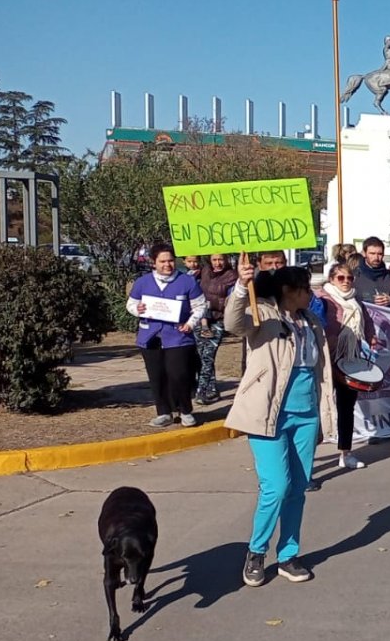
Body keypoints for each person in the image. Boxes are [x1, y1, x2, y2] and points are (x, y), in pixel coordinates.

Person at [224, 259, 334, 588]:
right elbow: (233, 323)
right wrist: (243, 287)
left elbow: (319, 369)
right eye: (305, 289)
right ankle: (256, 552)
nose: (310, 294)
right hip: (267, 414)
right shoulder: (263, 316)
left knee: (298, 488)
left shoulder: (311, 320)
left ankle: (288, 555)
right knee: (276, 486)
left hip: (305, 415)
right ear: (289, 291)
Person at [127, 243, 208, 428]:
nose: (167, 265)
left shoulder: (186, 281)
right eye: (162, 261)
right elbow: (131, 304)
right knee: (157, 376)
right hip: (150, 337)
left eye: (171, 260)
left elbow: (201, 306)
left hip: (179, 337)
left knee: (179, 375)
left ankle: (185, 410)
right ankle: (163, 412)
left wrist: (190, 324)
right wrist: (137, 310)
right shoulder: (143, 282)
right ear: (153, 262)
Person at [317, 262, 375, 471]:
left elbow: (367, 322)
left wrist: (371, 337)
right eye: (341, 278)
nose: (346, 282)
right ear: (332, 279)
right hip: (325, 359)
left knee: (346, 407)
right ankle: (307, 456)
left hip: (350, 359)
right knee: (319, 405)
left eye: (349, 278)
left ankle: (345, 452)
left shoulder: (356, 299)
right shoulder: (323, 299)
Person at [194, 253, 237, 405]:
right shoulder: (204, 271)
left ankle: (201, 390)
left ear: (226, 260)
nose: (217, 263)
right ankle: (212, 390)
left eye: (221, 259)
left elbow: (233, 299)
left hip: (218, 320)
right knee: (202, 356)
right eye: (214, 260)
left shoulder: (232, 276)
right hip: (201, 318)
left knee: (208, 356)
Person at [352, 236, 390, 308]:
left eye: (379, 254)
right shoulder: (353, 276)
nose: (376, 258)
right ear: (364, 253)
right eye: (372, 253)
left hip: (386, 318)